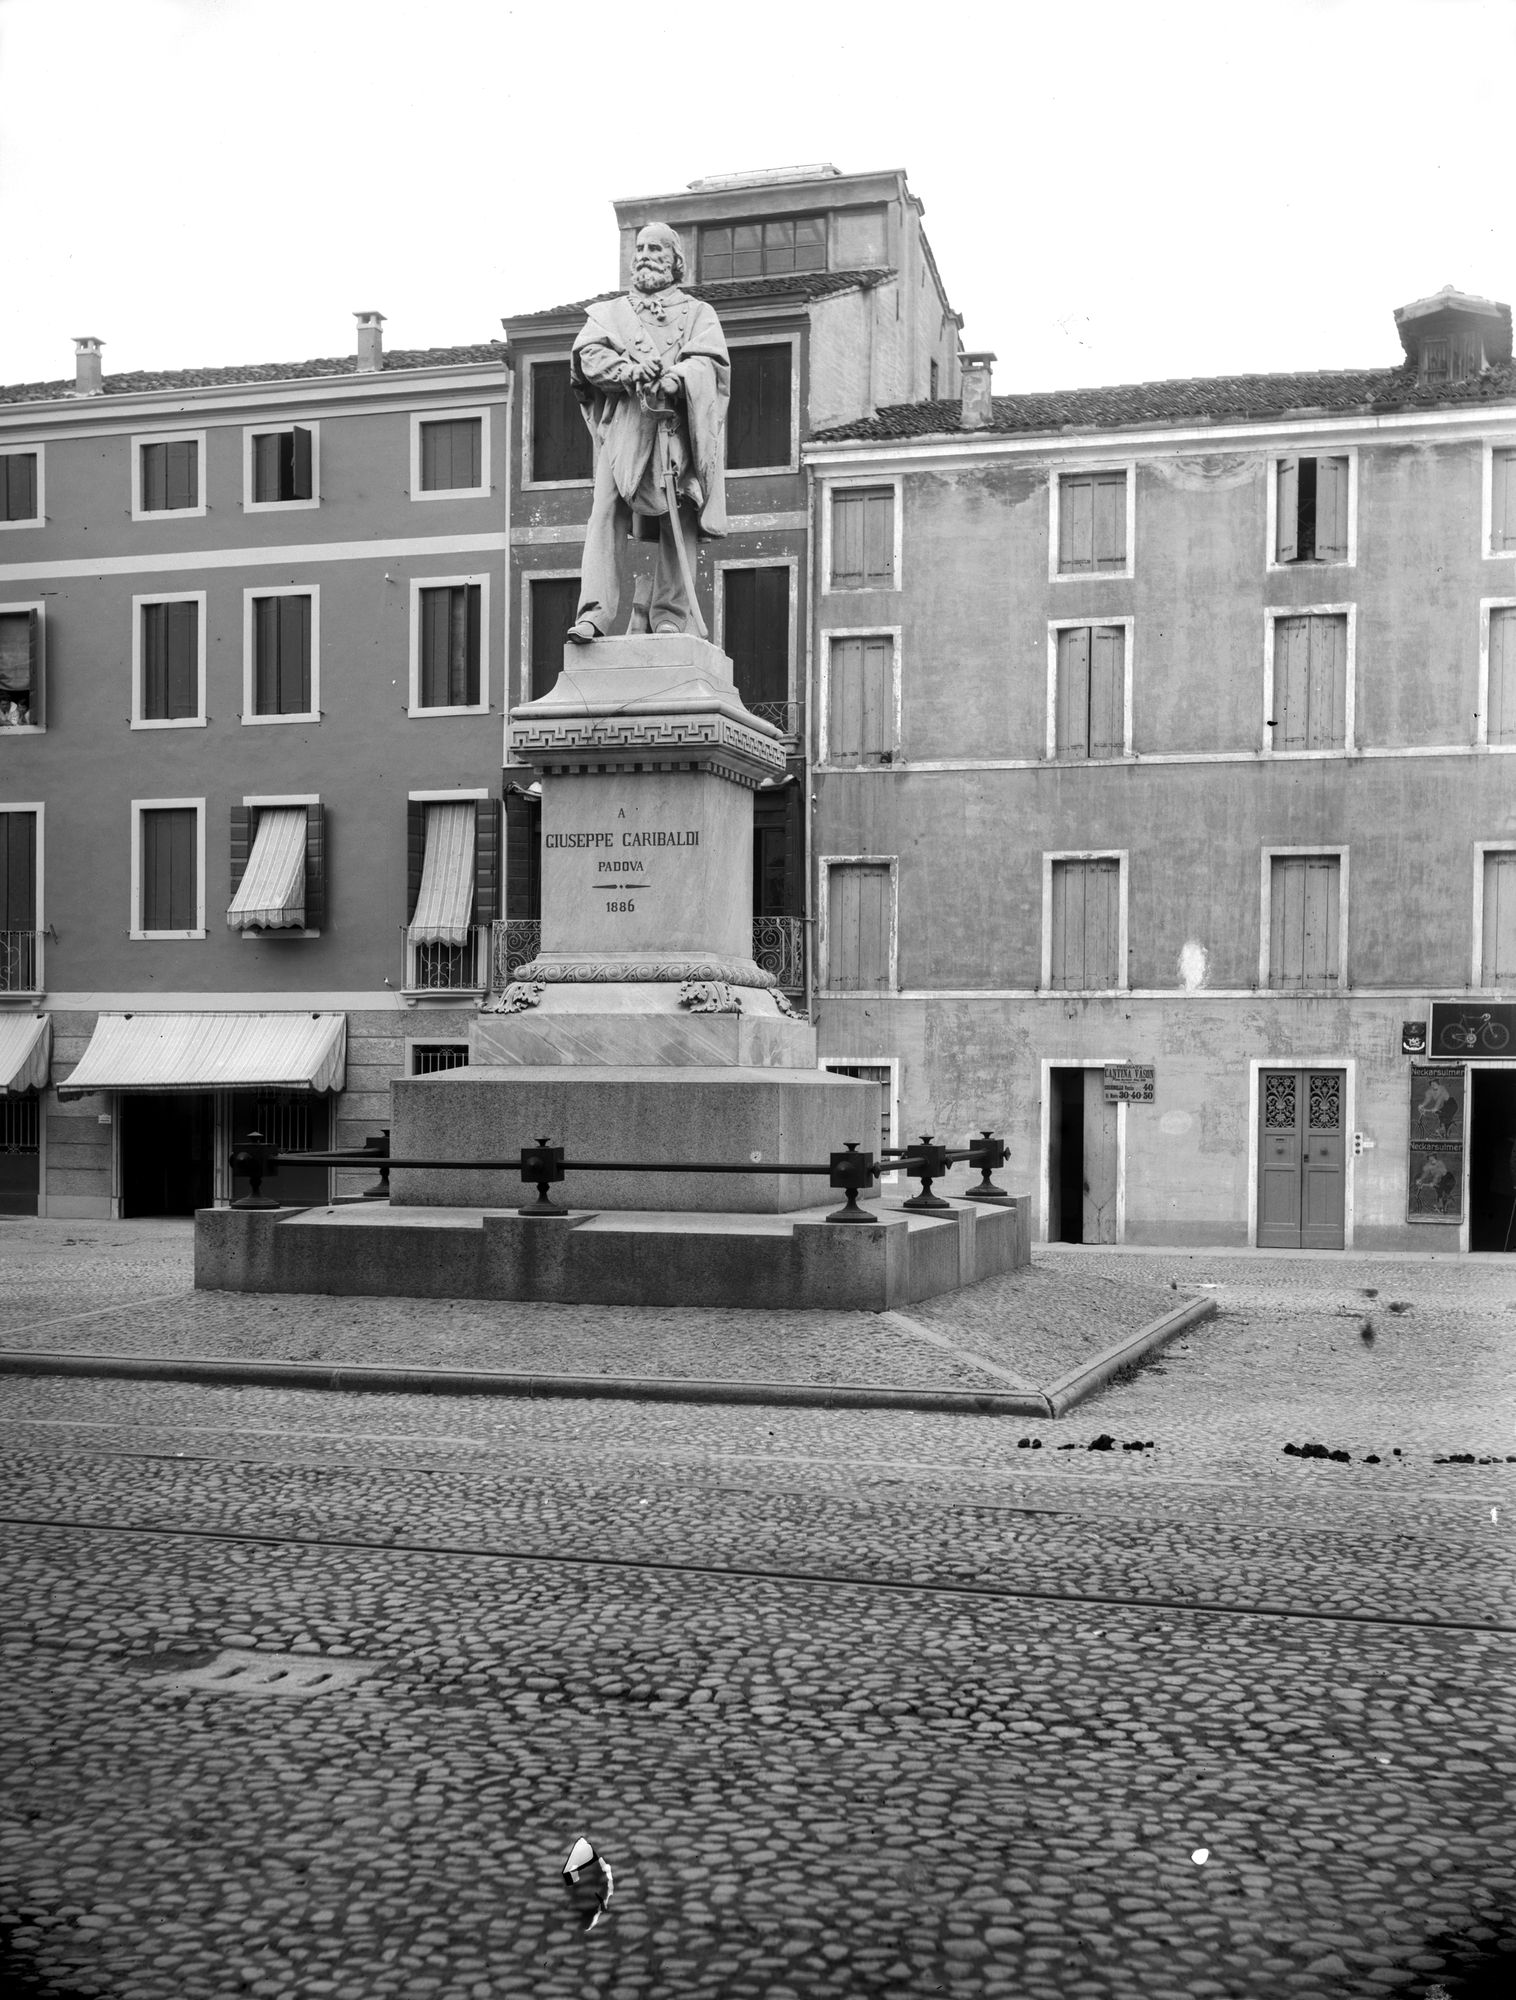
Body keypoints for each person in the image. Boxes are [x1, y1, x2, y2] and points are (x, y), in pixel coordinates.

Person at [565, 223, 729, 643]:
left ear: (676, 260)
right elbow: (589, 357)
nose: (645, 254)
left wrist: (678, 379)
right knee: (605, 511)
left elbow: (711, 364)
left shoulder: (698, 314)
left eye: (656, 248)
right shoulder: (610, 313)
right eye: (639, 247)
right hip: (625, 427)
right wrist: (628, 372)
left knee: (681, 519)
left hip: (677, 428)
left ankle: (671, 615)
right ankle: (594, 614)